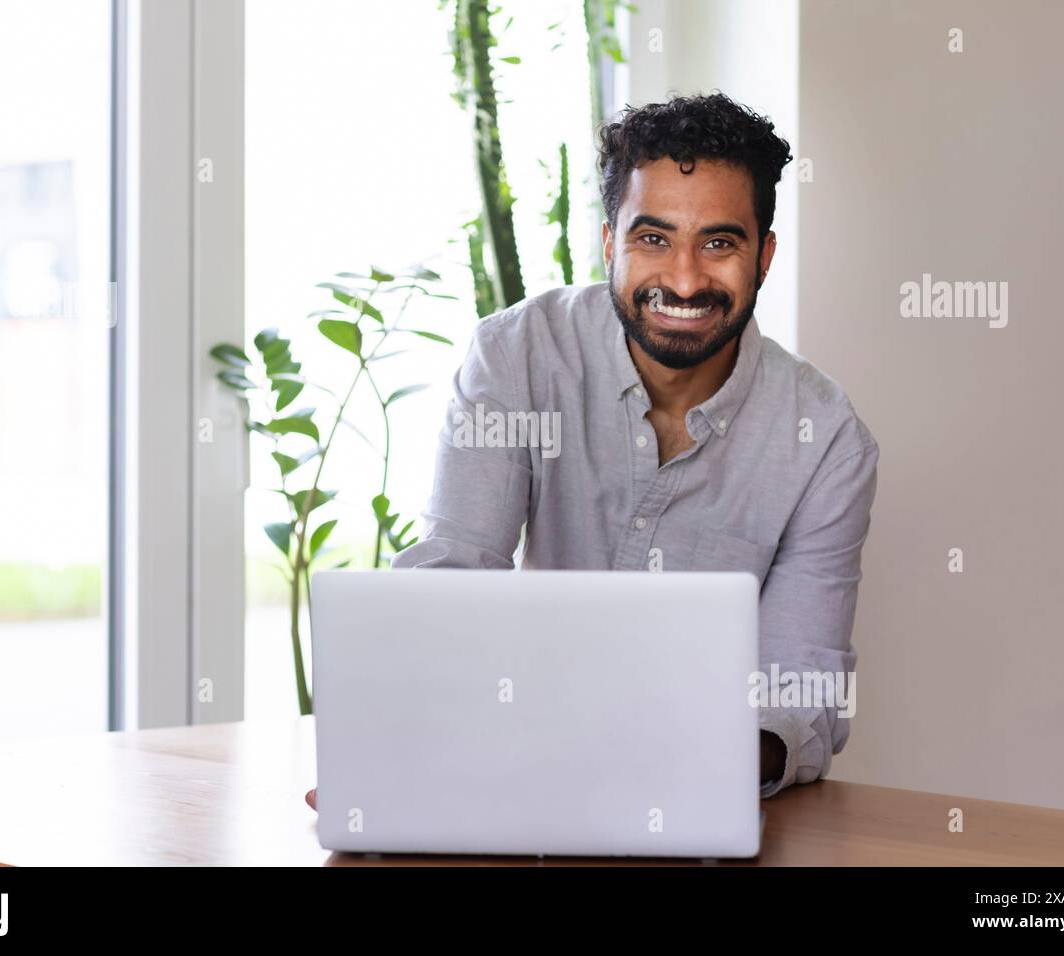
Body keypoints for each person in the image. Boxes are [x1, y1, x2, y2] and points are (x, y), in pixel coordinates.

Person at [305, 92, 878, 813]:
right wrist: (397, 749)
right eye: (653, 238)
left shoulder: (825, 441)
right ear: (610, 244)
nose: (685, 279)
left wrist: (692, 755)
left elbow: (803, 690)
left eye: (720, 243)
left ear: (763, 254)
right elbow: (455, 578)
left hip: (698, 799)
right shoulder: (518, 355)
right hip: (511, 778)